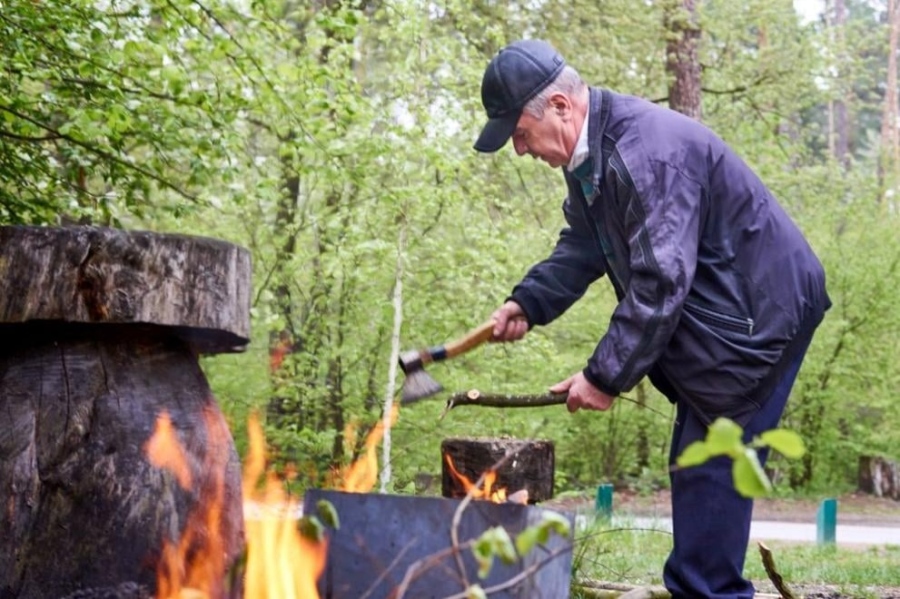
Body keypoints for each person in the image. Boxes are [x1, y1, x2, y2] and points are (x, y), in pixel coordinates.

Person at [474, 39, 831, 599]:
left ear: (561, 108)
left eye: (520, 134)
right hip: (726, 314)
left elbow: (661, 281)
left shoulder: (646, 154)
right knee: (698, 465)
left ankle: (708, 590)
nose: (521, 151)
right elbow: (582, 248)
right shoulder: (590, 161)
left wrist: (603, 376)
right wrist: (529, 302)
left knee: (711, 466)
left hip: (761, 316)